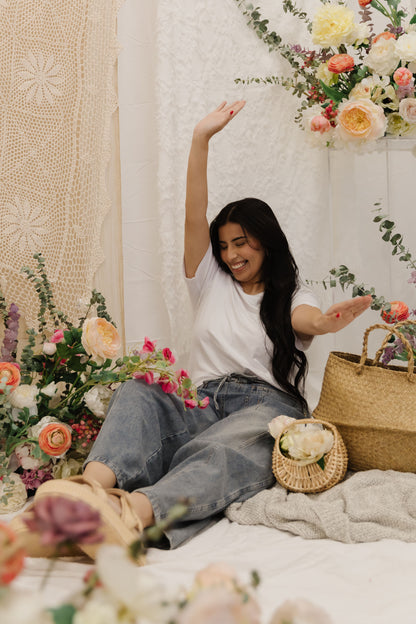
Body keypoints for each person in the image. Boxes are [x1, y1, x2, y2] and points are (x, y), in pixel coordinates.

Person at [15, 101, 372, 559]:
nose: (231, 255)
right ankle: (87, 491)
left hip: (266, 406)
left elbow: (306, 322)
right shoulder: (209, 280)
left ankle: (129, 515)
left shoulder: (293, 295)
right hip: (200, 402)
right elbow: (193, 210)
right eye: (223, 246)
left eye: (241, 243)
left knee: (232, 448)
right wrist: (200, 138)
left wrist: (325, 323)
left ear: (267, 240)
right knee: (140, 390)